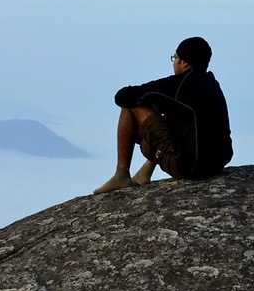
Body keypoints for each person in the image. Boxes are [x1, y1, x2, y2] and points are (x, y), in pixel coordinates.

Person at [94, 36, 233, 194]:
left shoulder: (178, 84)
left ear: (184, 63)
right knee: (171, 110)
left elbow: (123, 97)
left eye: (175, 58)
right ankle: (145, 172)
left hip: (190, 168)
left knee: (130, 106)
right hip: (217, 163)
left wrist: (149, 101)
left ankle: (122, 175)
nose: (174, 62)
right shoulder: (212, 84)